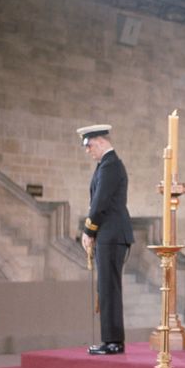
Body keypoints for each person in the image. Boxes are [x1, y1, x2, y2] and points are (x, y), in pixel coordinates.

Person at [78, 124, 134, 355]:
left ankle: (113, 341)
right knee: (107, 287)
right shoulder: (106, 165)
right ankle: (111, 339)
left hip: (111, 234)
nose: (88, 151)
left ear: (101, 142)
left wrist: (88, 231)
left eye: (90, 146)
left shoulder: (110, 166)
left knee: (109, 288)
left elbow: (100, 202)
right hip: (109, 234)